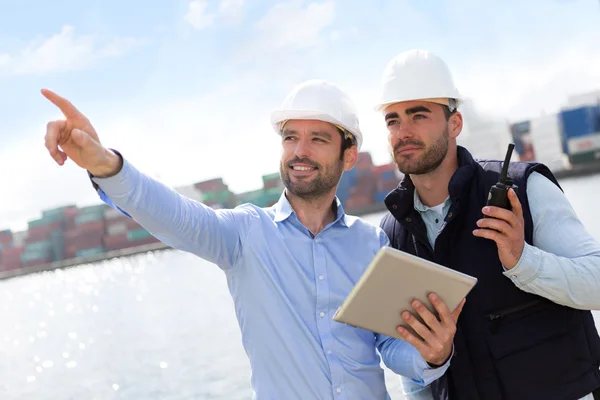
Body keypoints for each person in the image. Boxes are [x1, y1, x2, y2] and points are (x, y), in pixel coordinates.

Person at [41, 79, 465, 399]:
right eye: (290, 138)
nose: (300, 151)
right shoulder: (243, 235)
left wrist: (433, 353)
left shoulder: (373, 244)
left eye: (317, 139)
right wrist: (105, 164)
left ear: (348, 155)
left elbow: (393, 347)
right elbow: (171, 213)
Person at [374, 49, 600, 400]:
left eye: (418, 115)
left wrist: (524, 261)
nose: (403, 131)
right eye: (392, 120)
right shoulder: (391, 233)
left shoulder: (525, 189)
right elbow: (413, 367)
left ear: (455, 123)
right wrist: (430, 357)